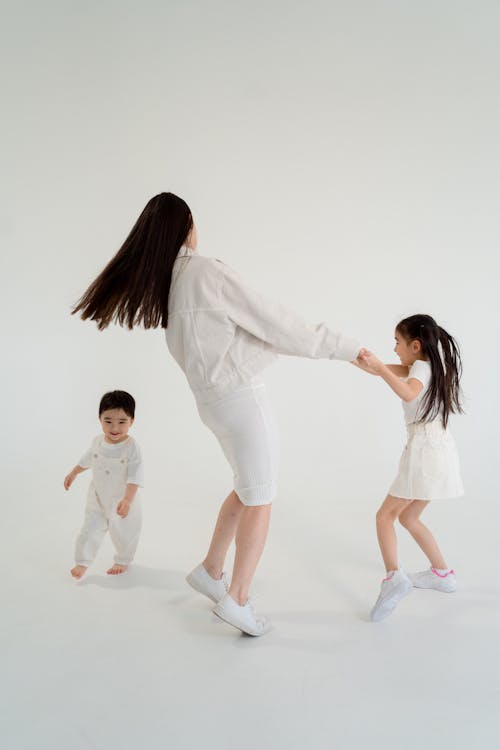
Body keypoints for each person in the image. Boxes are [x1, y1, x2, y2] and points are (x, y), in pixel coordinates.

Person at [72, 192, 362, 635]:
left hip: (212, 407)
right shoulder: (206, 272)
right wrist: (347, 348)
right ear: (187, 225)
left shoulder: (168, 289)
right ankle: (239, 599)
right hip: (242, 402)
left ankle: (211, 569)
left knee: (247, 489)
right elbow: (278, 323)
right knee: (262, 497)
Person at [355, 314, 464, 622]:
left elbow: (408, 391)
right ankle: (443, 574)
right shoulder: (428, 366)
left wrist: (378, 368)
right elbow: (392, 371)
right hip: (439, 450)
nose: (394, 349)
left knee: (384, 516)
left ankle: (394, 579)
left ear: (415, 345)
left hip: (424, 452)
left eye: (397, 343)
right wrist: (363, 362)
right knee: (409, 516)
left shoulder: (420, 369)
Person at [64, 390, 143, 580]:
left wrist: (127, 500)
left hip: (122, 498)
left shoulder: (132, 447)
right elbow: (87, 459)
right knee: (90, 528)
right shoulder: (97, 441)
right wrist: (74, 472)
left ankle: (123, 560)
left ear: (131, 421)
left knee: (124, 531)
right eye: (108, 421)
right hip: (98, 496)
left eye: (122, 422)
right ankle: (82, 561)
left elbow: (135, 477)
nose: (114, 427)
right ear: (100, 419)